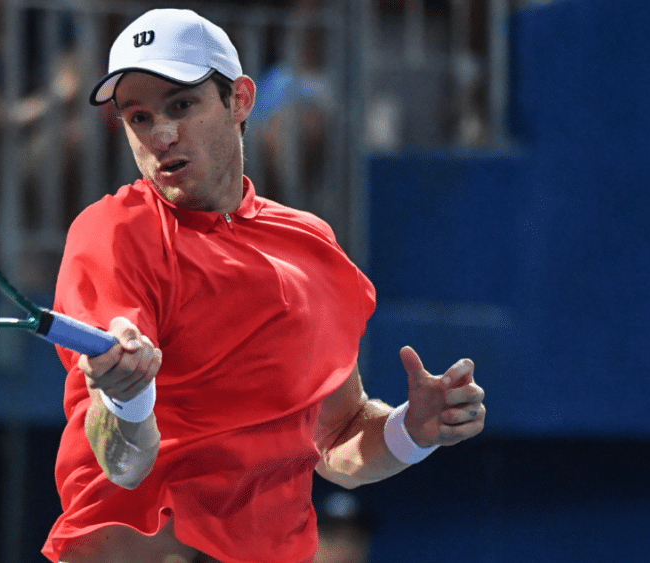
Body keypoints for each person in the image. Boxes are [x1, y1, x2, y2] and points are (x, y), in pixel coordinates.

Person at [43, 9, 486, 563]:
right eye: (138, 117)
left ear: (241, 101)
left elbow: (340, 438)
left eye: (182, 105)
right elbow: (125, 463)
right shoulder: (114, 233)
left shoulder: (312, 247)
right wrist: (127, 397)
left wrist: (413, 430)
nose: (160, 134)